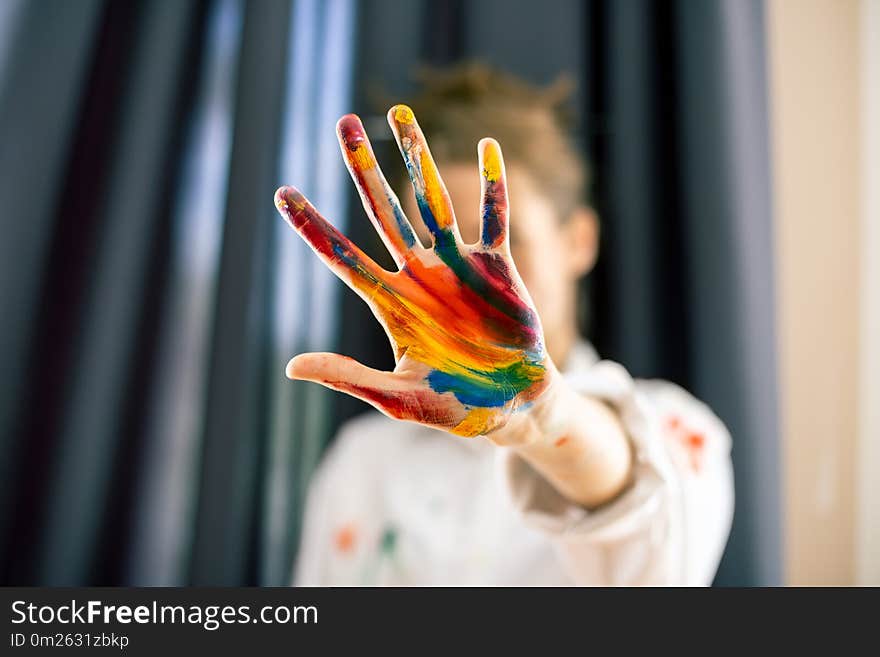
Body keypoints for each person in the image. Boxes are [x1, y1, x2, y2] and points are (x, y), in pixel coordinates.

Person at [275, 64, 734, 586]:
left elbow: (650, 554)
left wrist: (542, 416)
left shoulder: (678, 429)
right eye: (439, 258)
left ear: (578, 241)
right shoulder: (360, 464)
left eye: (496, 245)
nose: (466, 290)